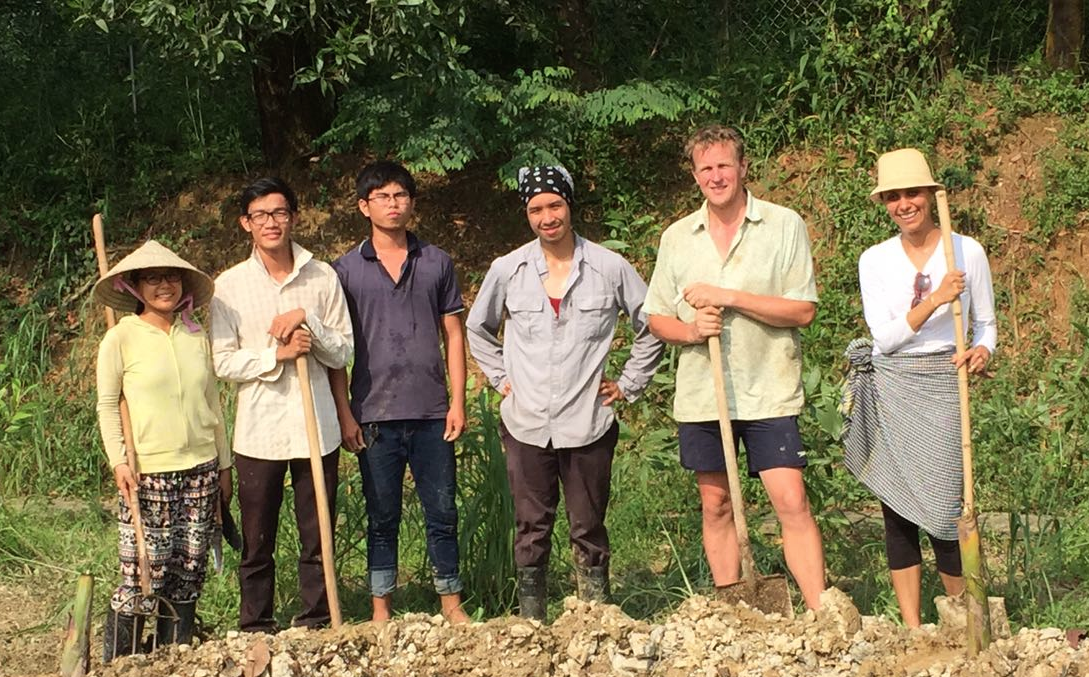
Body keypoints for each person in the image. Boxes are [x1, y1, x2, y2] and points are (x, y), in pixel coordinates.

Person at [467, 165, 664, 620]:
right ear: (527, 214)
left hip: (588, 421)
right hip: (527, 421)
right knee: (531, 526)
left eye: (555, 205)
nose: (546, 216)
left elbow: (649, 323)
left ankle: (595, 618)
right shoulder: (509, 269)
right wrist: (501, 378)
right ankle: (531, 620)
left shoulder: (609, 267)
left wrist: (630, 383)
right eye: (536, 209)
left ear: (570, 206)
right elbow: (477, 328)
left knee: (588, 524)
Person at [644, 124, 825, 611]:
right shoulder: (678, 237)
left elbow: (801, 311)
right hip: (705, 394)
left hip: (770, 387)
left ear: (743, 167)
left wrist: (729, 298)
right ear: (695, 175)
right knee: (715, 503)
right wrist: (691, 330)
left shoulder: (784, 225)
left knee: (790, 500)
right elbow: (657, 315)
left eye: (725, 165)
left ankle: (818, 611)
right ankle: (735, 612)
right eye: (706, 168)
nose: (716, 176)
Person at [843, 148, 997, 628]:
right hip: (895, 384)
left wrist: (982, 352)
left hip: (946, 383)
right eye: (892, 197)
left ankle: (964, 620)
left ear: (931, 196)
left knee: (949, 505)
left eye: (912, 193)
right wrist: (936, 299)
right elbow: (884, 337)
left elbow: (987, 325)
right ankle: (911, 627)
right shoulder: (875, 260)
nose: (903, 204)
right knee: (898, 506)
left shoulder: (965, 251)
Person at [210, 176, 354, 632]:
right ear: (245, 224)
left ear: (293, 216)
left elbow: (344, 351)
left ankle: (316, 618)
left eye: (279, 213)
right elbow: (222, 362)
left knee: (317, 532)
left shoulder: (322, 276)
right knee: (257, 538)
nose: (271, 222)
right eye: (260, 215)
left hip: (319, 429)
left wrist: (309, 325)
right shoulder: (228, 286)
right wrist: (278, 355)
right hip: (260, 429)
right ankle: (256, 622)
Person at [330, 161, 469, 624]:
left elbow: (454, 334)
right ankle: (380, 609)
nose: (393, 204)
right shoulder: (345, 270)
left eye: (400, 195)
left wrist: (458, 401)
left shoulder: (436, 262)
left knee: (442, 511)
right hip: (373, 412)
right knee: (381, 516)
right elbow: (335, 349)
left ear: (412, 202)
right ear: (363, 206)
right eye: (382, 197)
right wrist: (346, 414)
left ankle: (451, 602)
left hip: (431, 411)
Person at [94, 240, 232, 659]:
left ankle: (175, 656)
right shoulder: (120, 339)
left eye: (170, 277)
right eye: (152, 279)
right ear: (135, 287)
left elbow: (212, 404)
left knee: (189, 567)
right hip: (149, 470)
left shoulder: (194, 335)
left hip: (201, 469)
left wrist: (224, 466)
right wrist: (118, 459)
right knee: (143, 571)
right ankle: (122, 663)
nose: (164, 286)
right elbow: (106, 404)